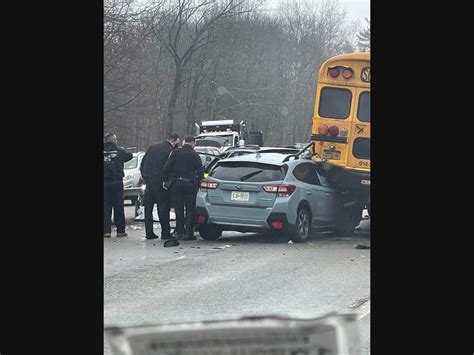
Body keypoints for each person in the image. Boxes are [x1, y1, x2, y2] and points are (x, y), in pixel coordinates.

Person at [140, 133, 181, 240]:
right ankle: (165, 233)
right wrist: (167, 180)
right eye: (177, 142)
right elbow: (170, 167)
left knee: (148, 208)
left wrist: (145, 177)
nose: (178, 145)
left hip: (149, 182)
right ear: (174, 141)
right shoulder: (170, 151)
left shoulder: (152, 148)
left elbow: (143, 164)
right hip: (161, 183)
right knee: (163, 208)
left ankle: (149, 232)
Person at [163, 136, 204, 241]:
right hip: (189, 185)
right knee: (190, 209)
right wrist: (200, 182)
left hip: (176, 184)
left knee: (178, 209)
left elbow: (166, 167)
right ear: (193, 143)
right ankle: (189, 233)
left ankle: (180, 232)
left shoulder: (175, 153)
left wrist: (166, 180)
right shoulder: (195, 155)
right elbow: (200, 172)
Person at [104, 133, 133, 237]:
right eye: (115, 139)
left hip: (105, 182)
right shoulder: (119, 150)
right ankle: (120, 230)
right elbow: (129, 156)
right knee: (118, 206)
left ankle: (106, 231)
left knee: (105, 206)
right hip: (117, 181)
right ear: (113, 140)